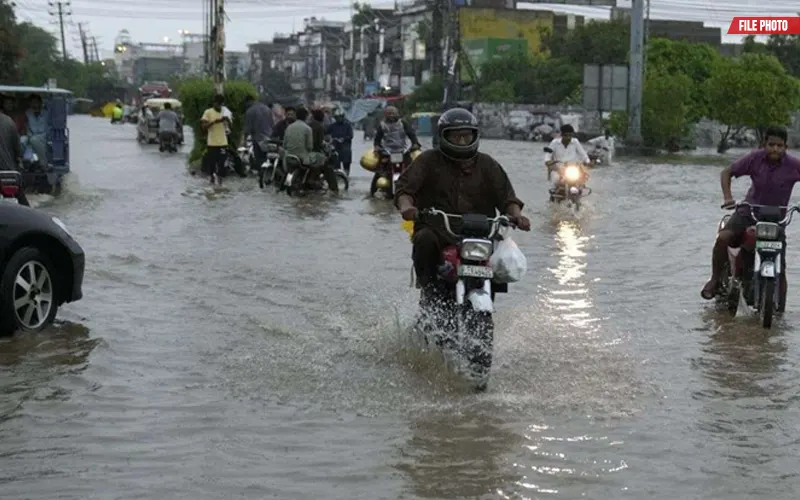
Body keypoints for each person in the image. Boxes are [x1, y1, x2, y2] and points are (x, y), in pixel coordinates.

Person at [394, 108, 531, 303]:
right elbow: (404, 190)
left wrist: (517, 216)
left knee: (497, 259)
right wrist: (407, 208)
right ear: (443, 136)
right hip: (438, 229)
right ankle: (429, 288)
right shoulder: (427, 160)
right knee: (424, 239)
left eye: (466, 136)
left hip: (480, 232)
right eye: (456, 136)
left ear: (475, 136)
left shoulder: (488, 164)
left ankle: (488, 290)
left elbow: (508, 198)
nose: (461, 141)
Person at [701, 126, 800, 310]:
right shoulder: (755, 158)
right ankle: (714, 279)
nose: (775, 149)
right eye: (771, 145)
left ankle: (779, 312)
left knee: (782, 266)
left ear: (786, 147)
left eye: (780, 145)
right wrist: (728, 198)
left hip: (774, 221)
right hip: (748, 213)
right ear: (764, 144)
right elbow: (726, 172)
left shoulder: (794, 165)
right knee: (723, 238)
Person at [283, 107, 339, 193]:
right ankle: (313, 181)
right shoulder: (307, 128)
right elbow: (310, 147)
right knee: (324, 161)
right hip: (303, 157)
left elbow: (285, 144)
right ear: (306, 116)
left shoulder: (289, 127)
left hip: (289, 156)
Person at [544, 124, 590, 193]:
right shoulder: (554, 143)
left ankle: (579, 195)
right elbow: (547, 158)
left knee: (582, 179)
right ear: (561, 135)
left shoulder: (575, 142)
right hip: (558, 169)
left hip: (573, 169)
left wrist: (587, 161)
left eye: (570, 135)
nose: (568, 138)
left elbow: (583, 155)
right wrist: (552, 164)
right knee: (555, 179)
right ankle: (555, 194)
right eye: (566, 135)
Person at [200, 94, 230, 185]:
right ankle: (212, 180)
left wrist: (227, 120)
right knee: (212, 165)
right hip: (212, 143)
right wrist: (214, 122)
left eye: (220, 104)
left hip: (223, 143)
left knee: (222, 165)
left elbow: (231, 127)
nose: (218, 106)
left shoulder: (225, 112)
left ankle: (220, 183)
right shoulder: (208, 112)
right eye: (217, 104)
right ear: (214, 103)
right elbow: (203, 127)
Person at [243, 95, 274, 171]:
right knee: (267, 156)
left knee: (259, 157)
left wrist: (244, 140)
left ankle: (261, 172)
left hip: (257, 138)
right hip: (269, 137)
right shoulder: (267, 109)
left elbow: (247, 128)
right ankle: (267, 171)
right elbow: (272, 123)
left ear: (248, 101)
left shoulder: (250, 111)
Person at [21, 94, 48, 169]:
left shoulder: (46, 113)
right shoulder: (27, 112)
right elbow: (26, 126)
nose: (34, 104)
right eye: (32, 102)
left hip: (43, 136)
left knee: (34, 140)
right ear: (30, 103)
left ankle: (44, 163)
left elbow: (48, 128)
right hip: (30, 135)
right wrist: (29, 135)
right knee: (22, 140)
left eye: (36, 102)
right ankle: (22, 163)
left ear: (40, 103)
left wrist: (34, 137)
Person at [327, 109, 353, 175]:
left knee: (346, 163)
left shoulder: (347, 125)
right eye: (337, 117)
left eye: (340, 117)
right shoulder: (332, 126)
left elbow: (351, 135)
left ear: (343, 117)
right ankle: (337, 175)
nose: (339, 119)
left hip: (345, 147)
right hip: (335, 147)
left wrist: (344, 139)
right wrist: (330, 139)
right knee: (335, 163)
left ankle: (346, 175)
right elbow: (326, 132)